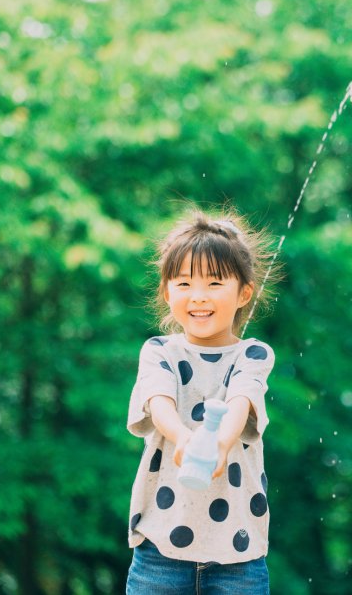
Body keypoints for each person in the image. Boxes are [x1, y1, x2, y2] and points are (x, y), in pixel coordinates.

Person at [125, 206, 279, 595]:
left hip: (238, 552)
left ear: (244, 293)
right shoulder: (158, 351)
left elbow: (241, 402)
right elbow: (158, 402)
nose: (198, 297)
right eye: (184, 284)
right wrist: (183, 438)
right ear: (166, 291)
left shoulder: (253, 354)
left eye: (214, 284)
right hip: (159, 546)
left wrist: (220, 444)